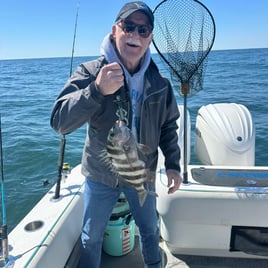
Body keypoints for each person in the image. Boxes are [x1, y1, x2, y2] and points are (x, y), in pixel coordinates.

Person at [50, 1, 182, 267]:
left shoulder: (159, 83)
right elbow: (60, 122)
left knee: (149, 231)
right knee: (91, 237)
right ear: (114, 31)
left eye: (143, 30)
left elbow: (169, 126)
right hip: (101, 174)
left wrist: (173, 165)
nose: (135, 34)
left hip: (141, 172)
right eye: (128, 26)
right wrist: (96, 90)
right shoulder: (91, 73)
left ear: (150, 38)